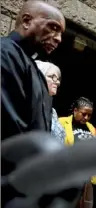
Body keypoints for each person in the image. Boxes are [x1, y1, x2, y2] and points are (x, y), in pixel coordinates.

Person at [1, 0, 65, 141]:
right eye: (53, 27)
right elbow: (11, 130)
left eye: (61, 33)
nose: (59, 39)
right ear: (26, 21)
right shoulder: (5, 53)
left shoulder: (35, 70)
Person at [59, 97, 96, 208]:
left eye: (89, 115)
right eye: (84, 114)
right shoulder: (61, 122)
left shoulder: (91, 128)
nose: (86, 118)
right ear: (75, 110)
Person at [36, 60, 65, 143]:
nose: (57, 82)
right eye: (52, 77)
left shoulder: (53, 112)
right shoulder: (31, 105)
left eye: (58, 79)